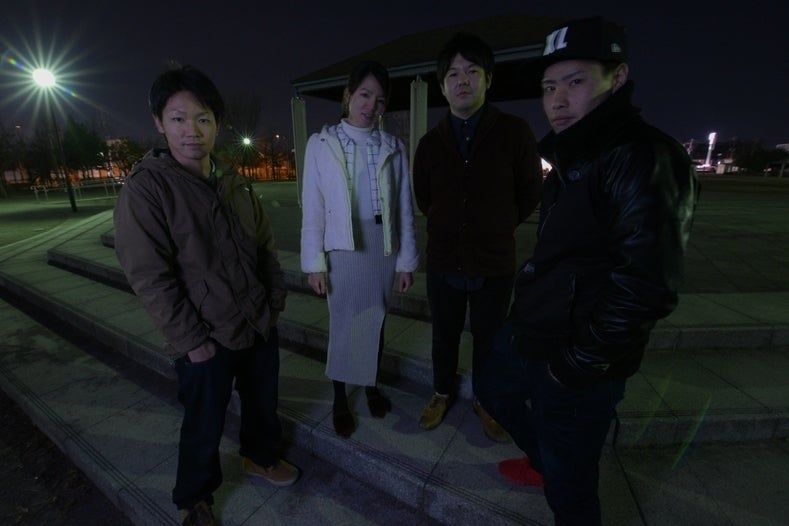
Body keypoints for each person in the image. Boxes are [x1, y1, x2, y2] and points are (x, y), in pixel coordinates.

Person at [477, 17, 699, 525]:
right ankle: (542, 460)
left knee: (572, 489)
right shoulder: (572, 152)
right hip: (534, 329)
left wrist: (574, 366)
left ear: (616, 78)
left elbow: (646, 287)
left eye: (575, 82)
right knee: (493, 390)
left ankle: (553, 470)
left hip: (579, 358)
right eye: (548, 87)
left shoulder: (643, 156)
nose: (557, 100)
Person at [113, 65, 299, 526]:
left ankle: (260, 456)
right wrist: (191, 340)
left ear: (217, 123)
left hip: (256, 320)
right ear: (159, 123)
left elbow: (264, 245)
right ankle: (195, 497)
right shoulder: (148, 188)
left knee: (262, 402)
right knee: (203, 421)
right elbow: (150, 276)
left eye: (203, 119)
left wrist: (273, 301)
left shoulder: (232, 179)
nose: (192, 131)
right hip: (204, 335)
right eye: (178, 119)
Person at [412, 32, 543, 442]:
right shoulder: (430, 143)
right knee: (444, 335)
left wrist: (497, 224)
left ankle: (485, 400)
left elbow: (530, 192)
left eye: (472, 71)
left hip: (494, 259)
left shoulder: (514, 132)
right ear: (442, 86)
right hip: (444, 259)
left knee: (489, 338)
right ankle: (441, 392)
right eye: (452, 74)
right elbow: (424, 197)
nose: (462, 80)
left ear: (488, 79)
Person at [300, 61, 419, 439]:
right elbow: (313, 207)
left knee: (375, 320)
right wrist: (314, 264)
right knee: (344, 323)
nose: (371, 106)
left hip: (381, 246)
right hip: (342, 246)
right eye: (365, 95)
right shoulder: (321, 144)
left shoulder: (393, 147)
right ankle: (339, 397)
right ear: (348, 95)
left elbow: (404, 208)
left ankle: (371, 386)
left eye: (380, 100)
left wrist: (406, 261)